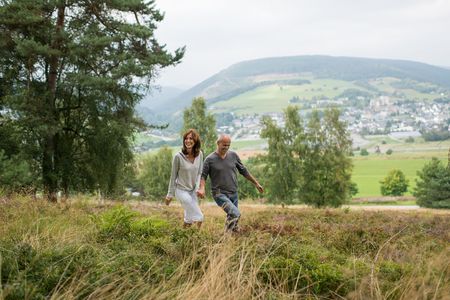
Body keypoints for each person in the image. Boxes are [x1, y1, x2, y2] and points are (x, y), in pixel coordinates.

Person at [197, 134, 263, 232]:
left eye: (228, 145)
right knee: (235, 213)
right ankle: (226, 236)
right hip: (219, 193)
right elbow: (203, 175)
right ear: (218, 143)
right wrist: (202, 188)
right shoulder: (209, 159)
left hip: (234, 192)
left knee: (234, 219)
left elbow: (244, 171)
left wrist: (256, 183)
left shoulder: (233, 155)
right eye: (224, 145)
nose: (226, 147)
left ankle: (230, 237)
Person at [166, 129, 204, 228]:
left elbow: (200, 172)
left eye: (191, 138)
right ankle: (195, 239)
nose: (188, 140)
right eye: (186, 138)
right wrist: (170, 194)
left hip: (193, 191)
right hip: (181, 191)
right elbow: (173, 176)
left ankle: (183, 235)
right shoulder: (178, 157)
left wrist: (198, 188)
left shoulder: (199, 154)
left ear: (195, 141)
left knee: (188, 219)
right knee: (199, 216)